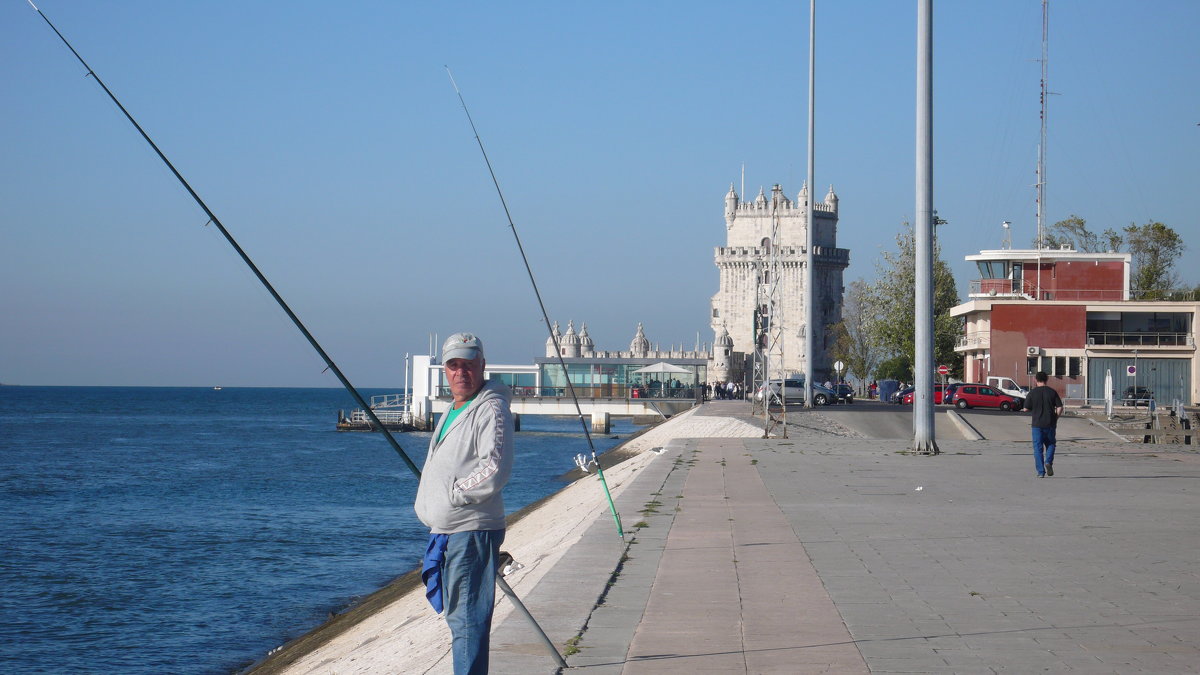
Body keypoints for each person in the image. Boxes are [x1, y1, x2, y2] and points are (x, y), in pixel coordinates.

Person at [415, 332, 514, 674]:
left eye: (468, 365)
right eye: (454, 365)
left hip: (471, 529)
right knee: (460, 617)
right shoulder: (454, 409)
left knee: (467, 620)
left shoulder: (491, 407)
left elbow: (495, 467)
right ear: (445, 370)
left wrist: (454, 495)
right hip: (447, 530)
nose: (461, 372)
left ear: (482, 365)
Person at [1023, 371, 1063, 477]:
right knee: (1051, 444)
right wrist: (1056, 418)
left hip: (1037, 425)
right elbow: (1060, 407)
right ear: (1047, 380)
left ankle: (1040, 472)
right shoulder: (1052, 392)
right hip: (1050, 423)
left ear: (1035, 380)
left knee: (1038, 448)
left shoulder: (1032, 393)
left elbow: (1026, 409)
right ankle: (1048, 462)